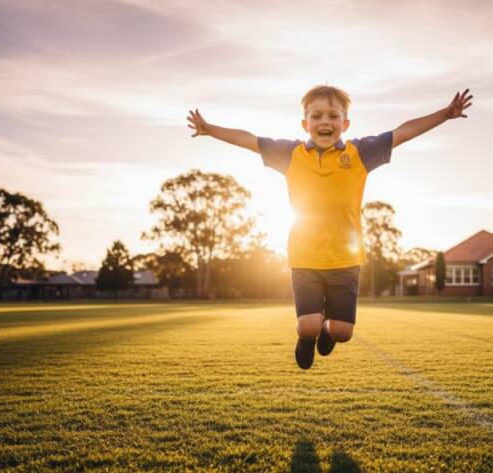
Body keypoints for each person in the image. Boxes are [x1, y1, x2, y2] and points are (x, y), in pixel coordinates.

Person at [187, 85, 473, 369]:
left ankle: (326, 329)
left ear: (345, 123)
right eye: (317, 116)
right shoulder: (290, 153)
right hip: (305, 257)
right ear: (305, 124)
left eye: (333, 116)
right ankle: (308, 337)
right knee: (307, 326)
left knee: (342, 333)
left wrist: (445, 114)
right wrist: (210, 129)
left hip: (345, 260)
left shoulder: (361, 152)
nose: (325, 122)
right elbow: (249, 140)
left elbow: (403, 132)